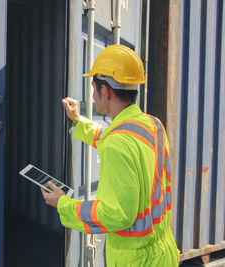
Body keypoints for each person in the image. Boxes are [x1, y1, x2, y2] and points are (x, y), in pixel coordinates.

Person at [41, 45, 179, 266]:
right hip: (163, 253)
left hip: (135, 260)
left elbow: (115, 214)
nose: (93, 95)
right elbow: (116, 140)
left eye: (93, 88)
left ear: (105, 91)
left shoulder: (118, 143)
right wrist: (78, 121)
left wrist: (63, 204)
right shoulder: (153, 125)